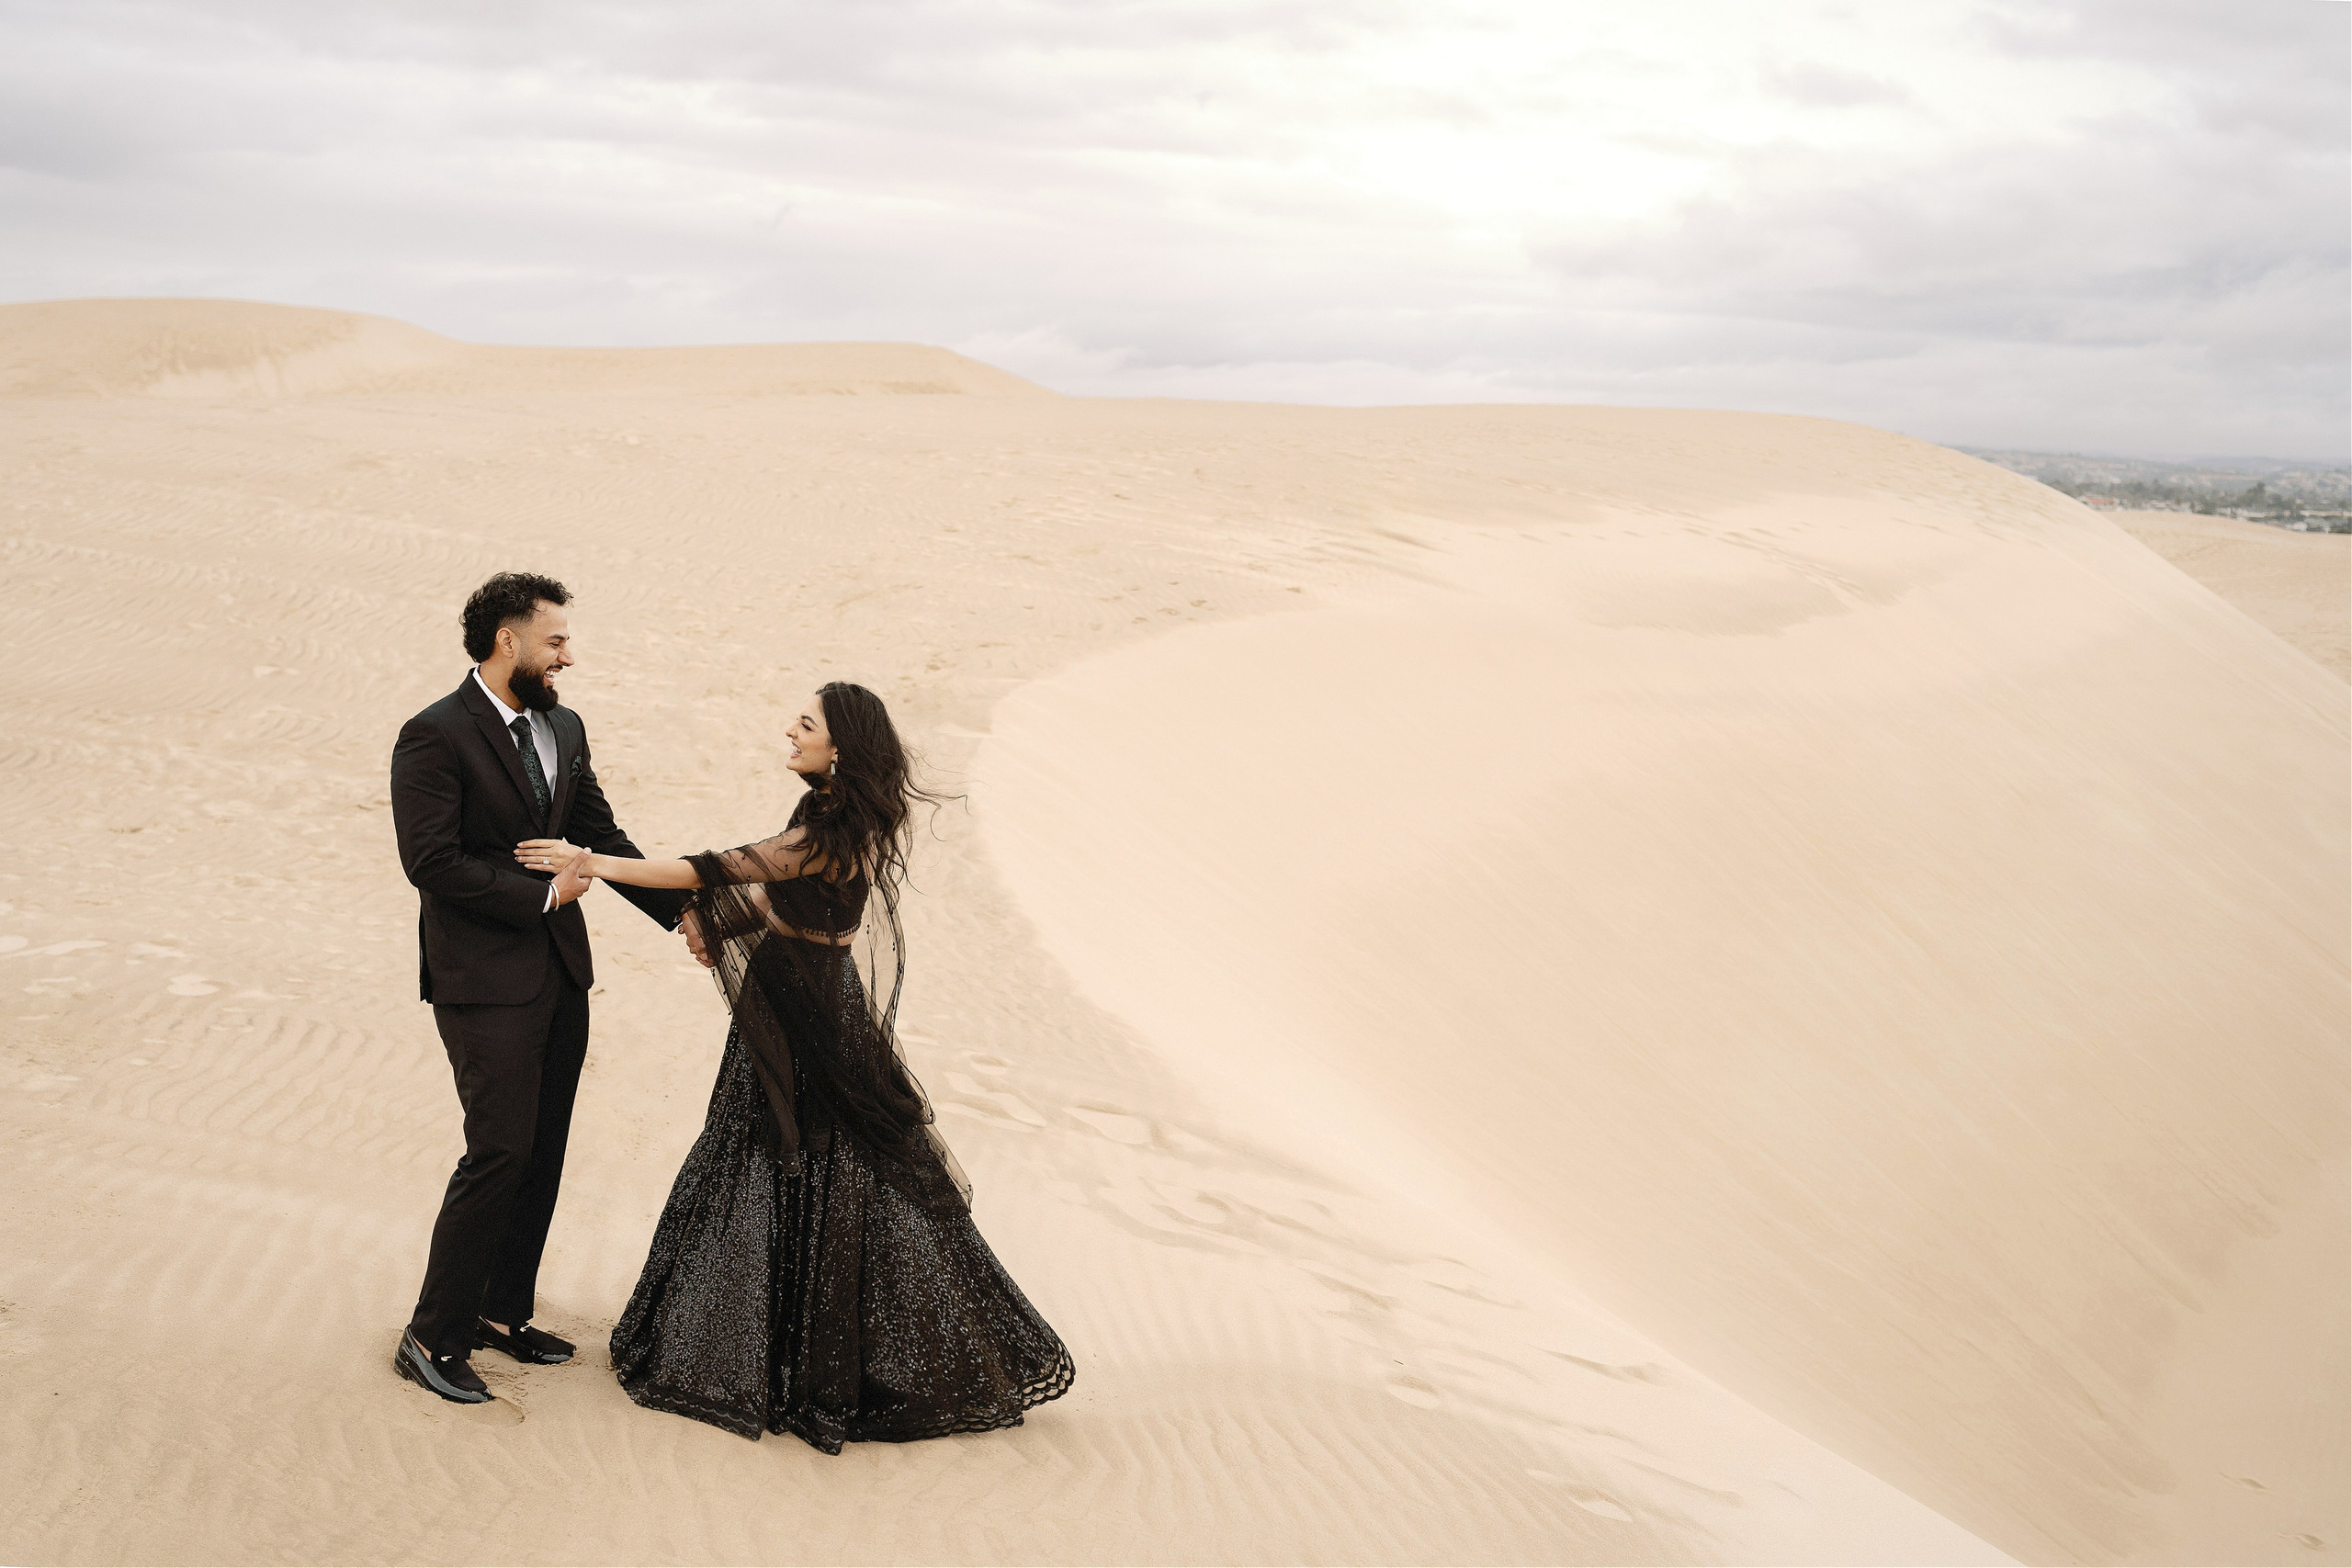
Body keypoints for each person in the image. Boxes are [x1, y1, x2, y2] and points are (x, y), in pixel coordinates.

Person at [517, 681, 1074, 1451]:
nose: (791, 729)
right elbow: (783, 901)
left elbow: (712, 868)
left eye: (805, 723)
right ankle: (785, 1351)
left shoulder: (831, 829)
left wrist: (593, 861)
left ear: (838, 746)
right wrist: (714, 925)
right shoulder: (830, 813)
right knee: (788, 1159)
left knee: (795, 1161)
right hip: (791, 999)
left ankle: (789, 1363)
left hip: (808, 1012)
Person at [389, 572, 690, 1404]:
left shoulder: (565, 726)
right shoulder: (434, 734)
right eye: (555, 641)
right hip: (481, 980)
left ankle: (500, 1309)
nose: (568, 656)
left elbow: (597, 833)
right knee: (498, 1150)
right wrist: (543, 896)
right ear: (507, 640)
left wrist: (683, 915)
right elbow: (430, 861)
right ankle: (430, 1335)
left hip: (560, 973)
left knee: (543, 1148)